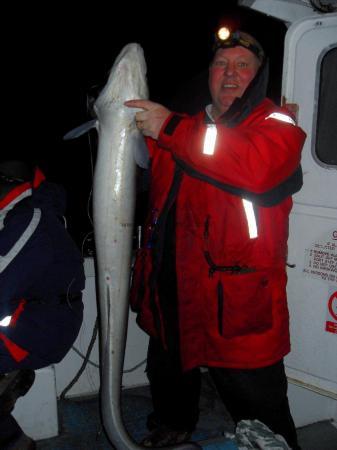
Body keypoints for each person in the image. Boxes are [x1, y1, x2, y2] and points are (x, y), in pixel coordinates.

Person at [125, 28, 307, 449]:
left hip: (236, 296)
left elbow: (254, 166)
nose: (230, 74)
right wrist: (119, 119)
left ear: (258, 77)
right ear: (208, 75)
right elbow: (140, 161)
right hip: (171, 284)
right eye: (221, 65)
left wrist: (166, 126)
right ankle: (174, 424)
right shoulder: (183, 127)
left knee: (256, 395)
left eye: (243, 65)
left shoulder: (276, 124)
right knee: (168, 368)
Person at [0, 160, 85, 449]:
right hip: (27, 317)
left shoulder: (30, 218)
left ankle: (13, 441)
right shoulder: (17, 216)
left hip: (40, 329)